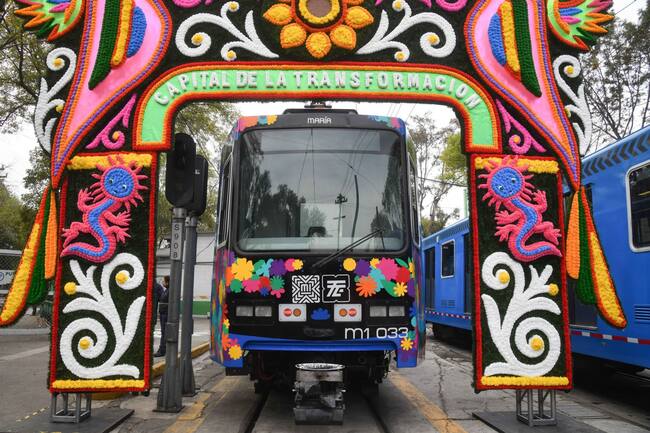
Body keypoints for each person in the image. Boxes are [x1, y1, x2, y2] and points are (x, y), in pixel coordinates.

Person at [153, 276, 169, 357]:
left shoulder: (168, 291)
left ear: (167, 282)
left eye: (164, 281)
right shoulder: (165, 290)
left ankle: (162, 350)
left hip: (165, 315)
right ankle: (162, 349)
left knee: (164, 333)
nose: (162, 282)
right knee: (164, 332)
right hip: (163, 314)